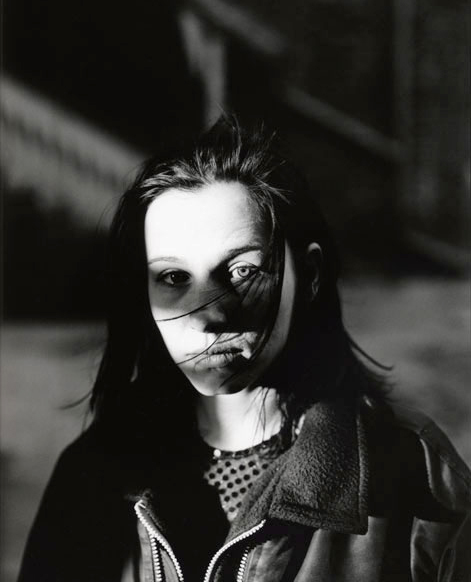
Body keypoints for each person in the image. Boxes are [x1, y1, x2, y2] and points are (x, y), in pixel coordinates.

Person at [19, 117, 470, 582]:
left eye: (241, 272)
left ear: (310, 275)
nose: (207, 316)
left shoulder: (419, 480)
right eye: (173, 278)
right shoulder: (92, 478)